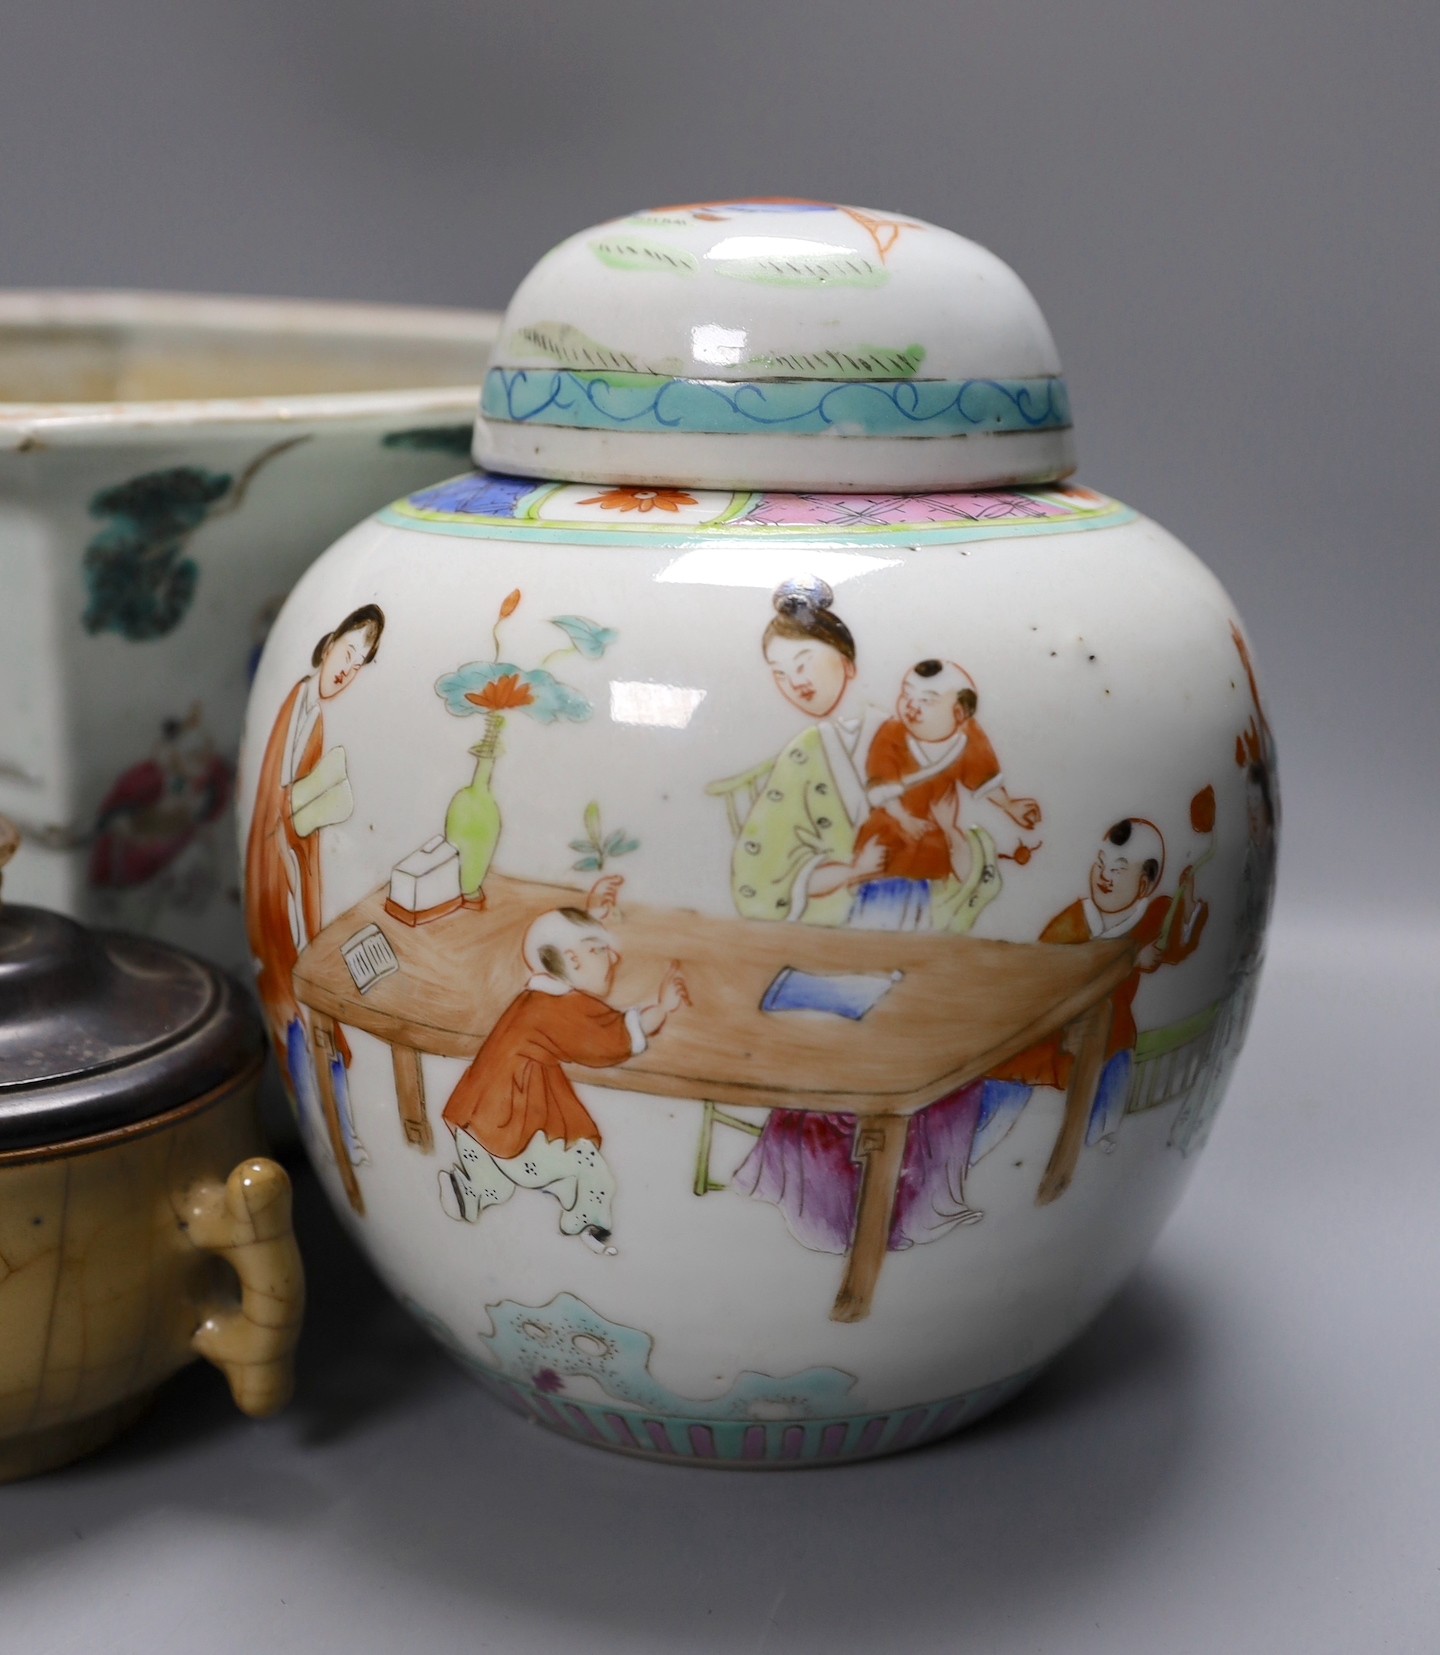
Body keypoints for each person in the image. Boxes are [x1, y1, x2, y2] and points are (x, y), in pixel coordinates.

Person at [719, 587, 1028, 1252]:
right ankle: (834, 1208)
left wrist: (955, 836)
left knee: (977, 1032)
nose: (793, 680)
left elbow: (965, 844)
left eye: (803, 660)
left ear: (847, 659)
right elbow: (760, 875)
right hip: (824, 949)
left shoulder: (908, 732)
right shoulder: (807, 754)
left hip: (918, 931)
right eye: (778, 672)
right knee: (889, 1028)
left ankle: (921, 1198)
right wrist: (853, 874)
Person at [437, 875, 690, 1252]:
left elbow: (564, 955)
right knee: (590, 1168)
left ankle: (471, 1190)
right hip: (514, 1124)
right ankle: (587, 1223)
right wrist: (661, 1009)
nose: (614, 956)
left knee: (496, 1178)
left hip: (479, 1119)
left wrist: (589, 919)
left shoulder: (540, 992)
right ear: (571, 959)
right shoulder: (555, 1010)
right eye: (600, 949)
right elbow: (608, 1041)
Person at [244, 603, 384, 1167]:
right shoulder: (293, 707)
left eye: (361, 664)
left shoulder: (317, 718)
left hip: (297, 876)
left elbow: (294, 811)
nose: (349, 669)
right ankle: (332, 1133)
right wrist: (311, 802)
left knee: (315, 998)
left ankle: (341, 1132)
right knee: (296, 1001)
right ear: (328, 645)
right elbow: (271, 809)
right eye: (348, 653)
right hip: (277, 881)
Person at [985, 817, 1210, 1160]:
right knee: (1014, 1074)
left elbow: (1177, 945)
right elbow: (1051, 972)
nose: (1105, 876)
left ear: (1145, 885)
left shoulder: (1152, 917)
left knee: (1117, 1062)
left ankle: (1100, 1144)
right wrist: (1131, 957)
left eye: (1119, 870)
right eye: (1100, 864)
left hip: (1111, 1033)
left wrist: (1190, 892)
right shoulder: (1070, 922)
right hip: (1053, 1033)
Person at [811, 658, 1041, 931]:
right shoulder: (892, 735)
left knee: (921, 908)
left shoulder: (967, 738)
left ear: (958, 714)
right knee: (879, 903)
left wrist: (1010, 806)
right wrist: (904, 818)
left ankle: (906, 959)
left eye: (926, 701)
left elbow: (983, 780)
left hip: (933, 838)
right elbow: (881, 788)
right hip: (890, 833)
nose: (911, 706)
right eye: (906, 695)